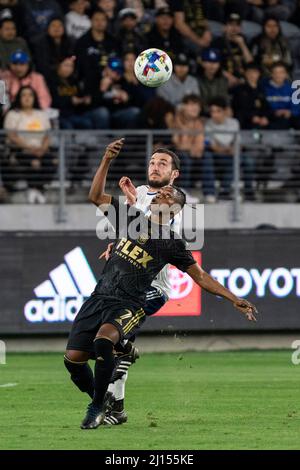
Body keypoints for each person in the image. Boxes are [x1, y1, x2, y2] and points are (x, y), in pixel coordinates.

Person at [64, 138, 258, 429]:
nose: (155, 167)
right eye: (153, 161)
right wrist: (119, 239)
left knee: (109, 338)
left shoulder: (180, 214)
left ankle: (116, 361)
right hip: (110, 290)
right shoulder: (142, 195)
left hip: (152, 288)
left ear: (175, 174)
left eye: (163, 163)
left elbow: (176, 253)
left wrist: (233, 298)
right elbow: (129, 222)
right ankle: (115, 392)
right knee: (85, 354)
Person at [3, 86, 57, 203]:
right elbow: (12, 136)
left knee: (53, 161)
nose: (27, 98)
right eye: (24, 95)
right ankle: (37, 189)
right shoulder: (13, 114)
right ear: (19, 98)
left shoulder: (41, 114)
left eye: (30, 95)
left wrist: (42, 148)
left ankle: (35, 189)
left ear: (34, 98)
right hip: (20, 150)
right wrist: (29, 148)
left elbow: (48, 135)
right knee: (34, 162)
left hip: (41, 149)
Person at [203, 96, 255, 201]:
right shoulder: (207, 124)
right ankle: (217, 191)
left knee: (248, 160)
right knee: (207, 156)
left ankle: (248, 193)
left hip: (231, 153)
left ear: (225, 111)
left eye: (218, 111)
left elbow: (237, 142)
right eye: (212, 111)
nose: (215, 115)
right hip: (216, 155)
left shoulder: (234, 123)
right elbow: (213, 146)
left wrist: (233, 148)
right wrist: (228, 149)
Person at [49, 57, 108, 129]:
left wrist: (85, 100)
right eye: (66, 65)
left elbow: (82, 97)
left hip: (77, 113)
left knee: (99, 114)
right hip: (60, 114)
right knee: (69, 124)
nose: (69, 69)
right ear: (58, 66)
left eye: (71, 66)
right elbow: (51, 101)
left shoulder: (74, 81)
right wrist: (70, 100)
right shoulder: (51, 81)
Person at [75, 8, 118, 105]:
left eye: (103, 20)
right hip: (91, 86)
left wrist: (114, 72)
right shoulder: (82, 42)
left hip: (113, 82)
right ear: (91, 21)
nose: (100, 23)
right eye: (96, 20)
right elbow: (82, 67)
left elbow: (118, 61)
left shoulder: (113, 41)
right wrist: (101, 74)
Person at [212, 13, 253, 88]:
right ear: (224, 27)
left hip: (243, 79)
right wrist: (229, 77)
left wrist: (242, 45)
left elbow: (250, 63)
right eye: (231, 24)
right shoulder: (217, 43)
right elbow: (214, 65)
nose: (234, 28)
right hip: (224, 78)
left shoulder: (244, 41)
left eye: (237, 25)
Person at [173, 94, 205, 188]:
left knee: (207, 157)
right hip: (175, 153)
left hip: (191, 154)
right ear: (183, 107)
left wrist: (192, 148)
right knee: (184, 157)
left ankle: (209, 193)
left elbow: (199, 148)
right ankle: (183, 191)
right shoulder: (175, 121)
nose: (195, 108)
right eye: (191, 105)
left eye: (197, 105)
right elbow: (179, 145)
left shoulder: (199, 123)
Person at [32, 17, 74, 85]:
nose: (57, 28)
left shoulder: (70, 41)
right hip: (49, 77)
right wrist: (58, 68)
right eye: (53, 25)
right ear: (48, 28)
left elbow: (73, 57)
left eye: (59, 25)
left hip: (68, 74)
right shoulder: (40, 43)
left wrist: (69, 64)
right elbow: (42, 64)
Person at [262, 61, 300, 129]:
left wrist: (290, 112)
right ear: (271, 74)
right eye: (275, 72)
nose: (278, 75)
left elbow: (296, 107)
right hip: (270, 118)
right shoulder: (264, 88)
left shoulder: (292, 89)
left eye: (281, 72)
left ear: (286, 74)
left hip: (289, 119)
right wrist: (274, 112)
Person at [232, 62, 271, 129]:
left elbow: (266, 107)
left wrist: (265, 117)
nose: (252, 75)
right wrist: (252, 117)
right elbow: (238, 108)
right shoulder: (239, 89)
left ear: (259, 74)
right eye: (249, 72)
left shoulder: (262, 89)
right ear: (245, 74)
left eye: (255, 72)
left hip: (261, 121)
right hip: (245, 122)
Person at [198, 48, 229, 116]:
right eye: (209, 61)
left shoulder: (223, 80)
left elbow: (224, 100)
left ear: (219, 64)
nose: (212, 65)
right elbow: (198, 102)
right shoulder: (196, 80)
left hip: (219, 115)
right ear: (203, 63)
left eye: (215, 62)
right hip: (202, 115)